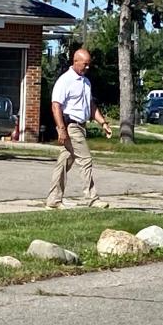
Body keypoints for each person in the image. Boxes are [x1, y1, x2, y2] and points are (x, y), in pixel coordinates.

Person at [46, 48, 112, 209]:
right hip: (70, 126)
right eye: (85, 64)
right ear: (75, 62)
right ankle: (92, 198)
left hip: (81, 126)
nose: (87, 68)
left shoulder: (85, 82)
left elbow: (90, 105)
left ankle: (53, 200)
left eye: (89, 65)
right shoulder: (65, 80)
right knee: (85, 159)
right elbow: (56, 106)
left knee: (63, 163)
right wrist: (61, 129)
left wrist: (103, 123)